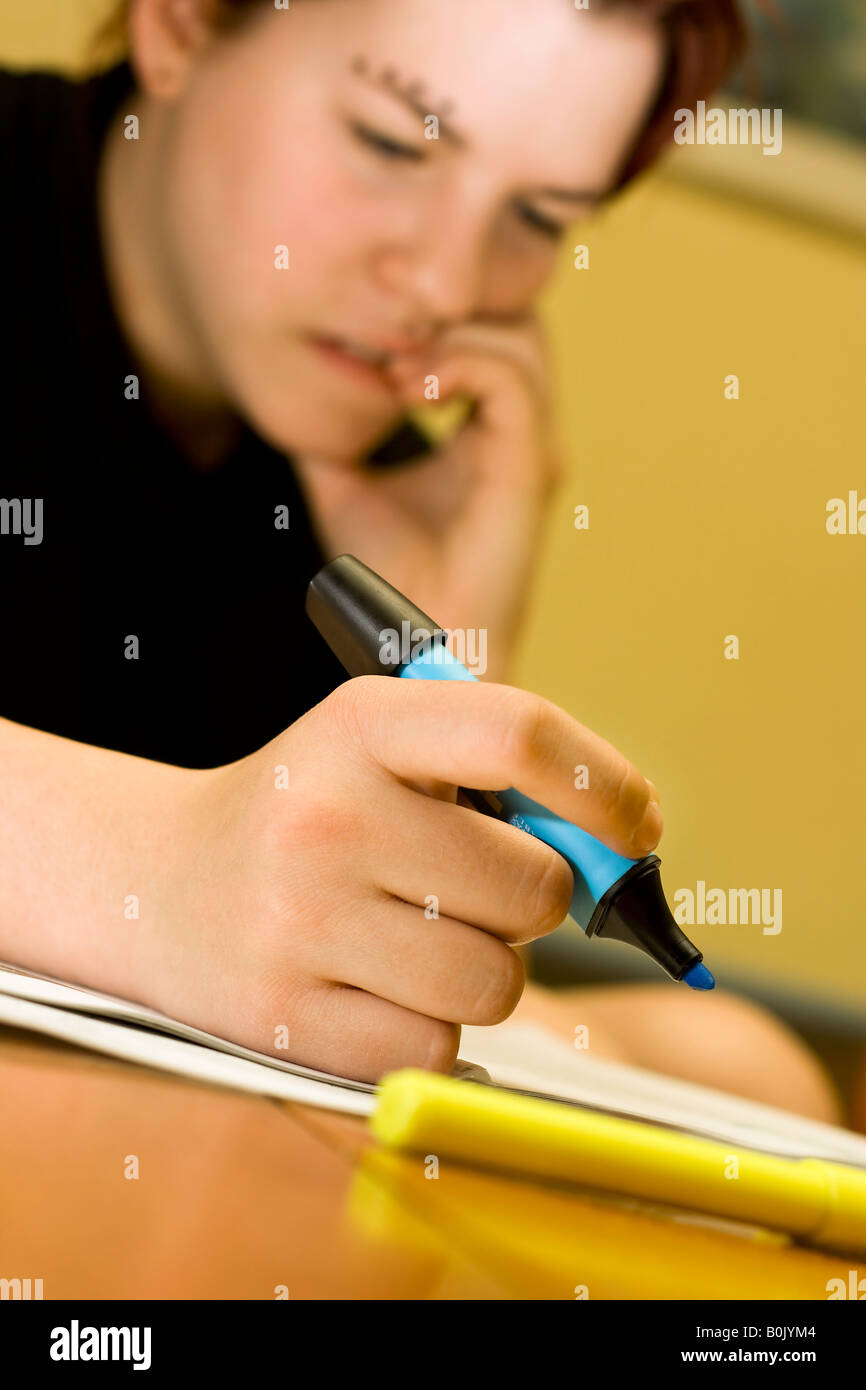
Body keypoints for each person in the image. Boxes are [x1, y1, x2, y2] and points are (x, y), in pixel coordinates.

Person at [0, 0, 840, 1120]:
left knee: (744, 1065)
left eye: (538, 218)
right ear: (183, 25)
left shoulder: (374, 481)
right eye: (393, 141)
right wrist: (151, 874)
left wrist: (439, 709)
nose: (446, 287)